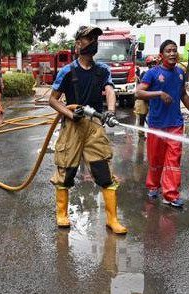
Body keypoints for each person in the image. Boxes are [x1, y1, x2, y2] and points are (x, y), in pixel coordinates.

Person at [48, 25, 127, 234]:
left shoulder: (102, 70)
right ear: (78, 44)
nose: (93, 42)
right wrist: (70, 114)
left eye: (95, 38)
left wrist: (110, 111)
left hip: (94, 127)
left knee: (104, 172)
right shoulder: (67, 71)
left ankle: (112, 219)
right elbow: (52, 100)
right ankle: (62, 214)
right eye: (88, 38)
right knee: (66, 170)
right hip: (72, 127)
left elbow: (110, 90)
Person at [135, 40, 189, 207]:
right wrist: (159, 93)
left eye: (175, 50)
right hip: (157, 124)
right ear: (161, 55)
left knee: (173, 160)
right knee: (155, 159)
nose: (172, 53)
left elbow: (183, 94)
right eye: (169, 51)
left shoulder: (180, 73)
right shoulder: (152, 73)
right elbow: (138, 92)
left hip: (176, 123)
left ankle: (170, 194)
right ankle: (153, 186)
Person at [133, 55, 160, 138]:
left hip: (153, 98)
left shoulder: (159, 74)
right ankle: (141, 133)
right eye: (150, 64)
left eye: (154, 63)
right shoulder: (145, 74)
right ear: (148, 65)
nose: (152, 65)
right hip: (143, 98)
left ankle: (154, 133)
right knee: (142, 116)